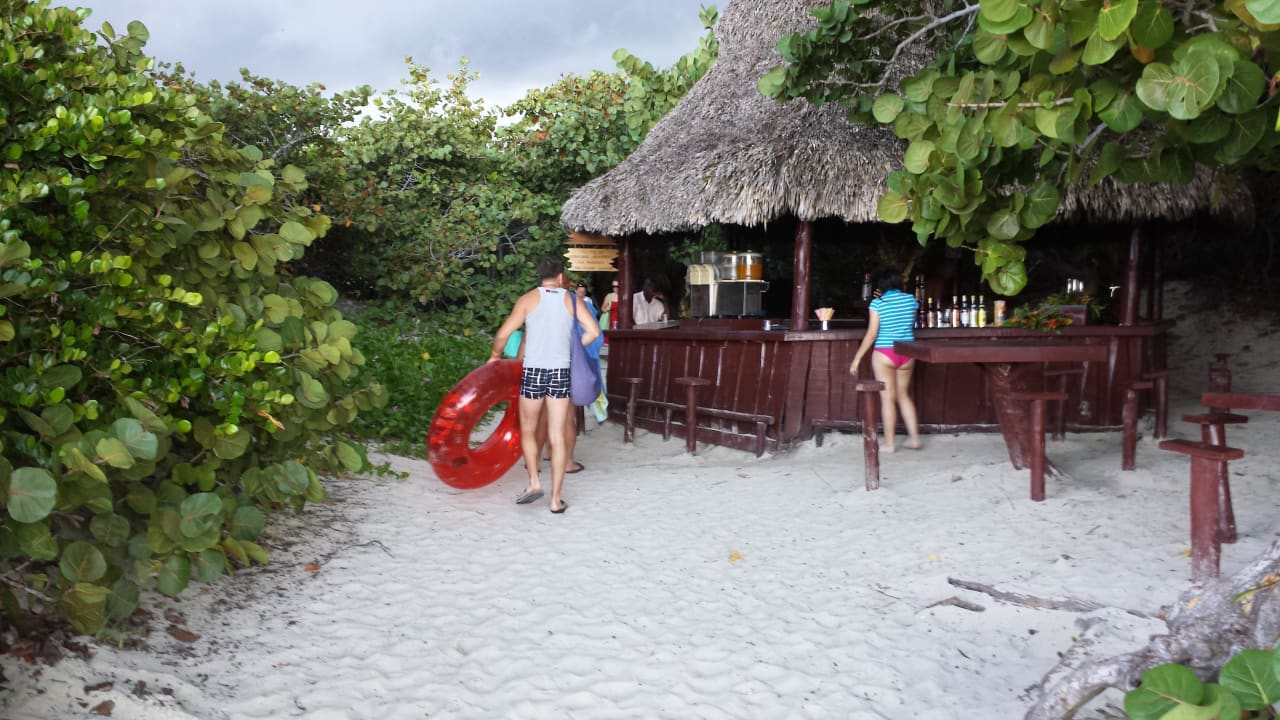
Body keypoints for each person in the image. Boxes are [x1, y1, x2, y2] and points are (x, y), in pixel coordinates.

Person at [490, 258, 599, 513]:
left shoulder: (527, 300)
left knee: (528, 429)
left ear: (540, 276)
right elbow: (593, 331)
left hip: (533, 373)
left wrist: (495, 356)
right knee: (557, 435)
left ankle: (534, 482)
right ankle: (555, 500)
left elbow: (503, 334)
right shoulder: (572, 300)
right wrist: (574, 347)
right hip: (560, 373)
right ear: (561, 276)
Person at [849, 271, 922, 453]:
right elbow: (908, 325)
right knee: (903, 395)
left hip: (885, 352)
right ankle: (914, 439)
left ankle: (889, 444)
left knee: (887, 399)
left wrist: (857, 359)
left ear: (881, 286)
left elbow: (872, 333)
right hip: (907, 352)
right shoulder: (911, 300)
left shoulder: (878, 303)